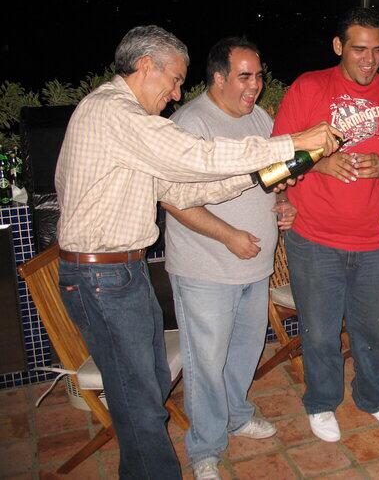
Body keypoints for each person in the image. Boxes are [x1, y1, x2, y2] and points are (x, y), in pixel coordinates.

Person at [55, 25, 340, 479]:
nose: (175, 93)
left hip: (123, 273)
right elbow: (198, 157)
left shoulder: (130, 128)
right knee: (140, 401)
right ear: (145, 65)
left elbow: (181, 190)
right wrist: (296, 141)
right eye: (173, 80)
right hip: (102, 277)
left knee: (148, 390)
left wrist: (258, 177)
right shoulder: (114, 112)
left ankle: (226, 420)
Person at [271, 8, 379, 442]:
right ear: (339, 46)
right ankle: (321, 401)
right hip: (315, 237)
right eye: (359, 49)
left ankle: (374, 397)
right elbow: (276, 154)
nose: (369, 59)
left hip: (377, 239)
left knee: (375, 331)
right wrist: (321, 163)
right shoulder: (308, 87)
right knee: (319, 331)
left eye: (377, 50)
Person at [162, 37, 297, 480]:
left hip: (254, 266)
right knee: (206, 361)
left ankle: (236, 414)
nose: (255, 85)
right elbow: (173, 200)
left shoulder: (260, 118)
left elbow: (275, 179)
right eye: (244, 76)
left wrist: (283, 203)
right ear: (218, 77)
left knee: (244, 348)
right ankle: (204, 448)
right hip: (205, 267)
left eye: (258, 75)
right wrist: (228, 235)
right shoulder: (189, 124)